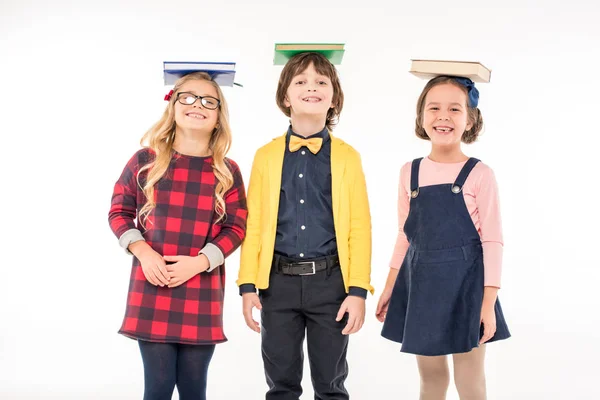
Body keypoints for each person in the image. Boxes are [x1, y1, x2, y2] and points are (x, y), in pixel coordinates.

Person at [237, 51, 373, 400]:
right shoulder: (265, 156)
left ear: (333, 96)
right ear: (286, 96)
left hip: (331, 285)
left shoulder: (347, 156)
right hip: (276, 285)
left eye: (321, 82)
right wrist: (247, 284)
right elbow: (253, 225)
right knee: (281, 384)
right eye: (300, 81)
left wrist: (357, 290)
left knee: (331, 384)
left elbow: (359, 226)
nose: (311, 87)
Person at [108, 71, 247, 400]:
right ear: (172, 106)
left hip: (201, 290)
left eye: (208, 101)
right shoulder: (145, 161)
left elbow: (236, 226)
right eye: (188, 97)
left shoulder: (227, 171)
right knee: (157, 388)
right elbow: (119, 211)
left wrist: (200, 262)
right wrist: (143, 251)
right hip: (152, 287)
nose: (197, 104)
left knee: (193, 388)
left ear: (217, 117)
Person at [377, 75, 510, 400]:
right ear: (422, 115)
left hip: (468, 289)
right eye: (434, 107)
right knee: (432, 378)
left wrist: (488, 303)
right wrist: (390, 285)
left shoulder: (480, 174)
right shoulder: (410, 172)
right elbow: (405, 236)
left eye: (455, 108)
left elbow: (493, 241)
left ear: (470, 118)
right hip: (423, 287)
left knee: (470, 379)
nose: (443, 116)